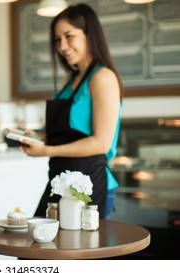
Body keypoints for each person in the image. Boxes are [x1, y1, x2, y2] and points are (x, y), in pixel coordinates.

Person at [20, 3, 122, 219]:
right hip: (59, 181)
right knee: (35, 246)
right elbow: (68, 134)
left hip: (90, 185)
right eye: (58, 39)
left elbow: (101, 143)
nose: (62, 46)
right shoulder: (69, 80)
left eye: (69, 36)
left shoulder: (103, 78)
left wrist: (46, 151)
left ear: (89, 34)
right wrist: (41, 139)